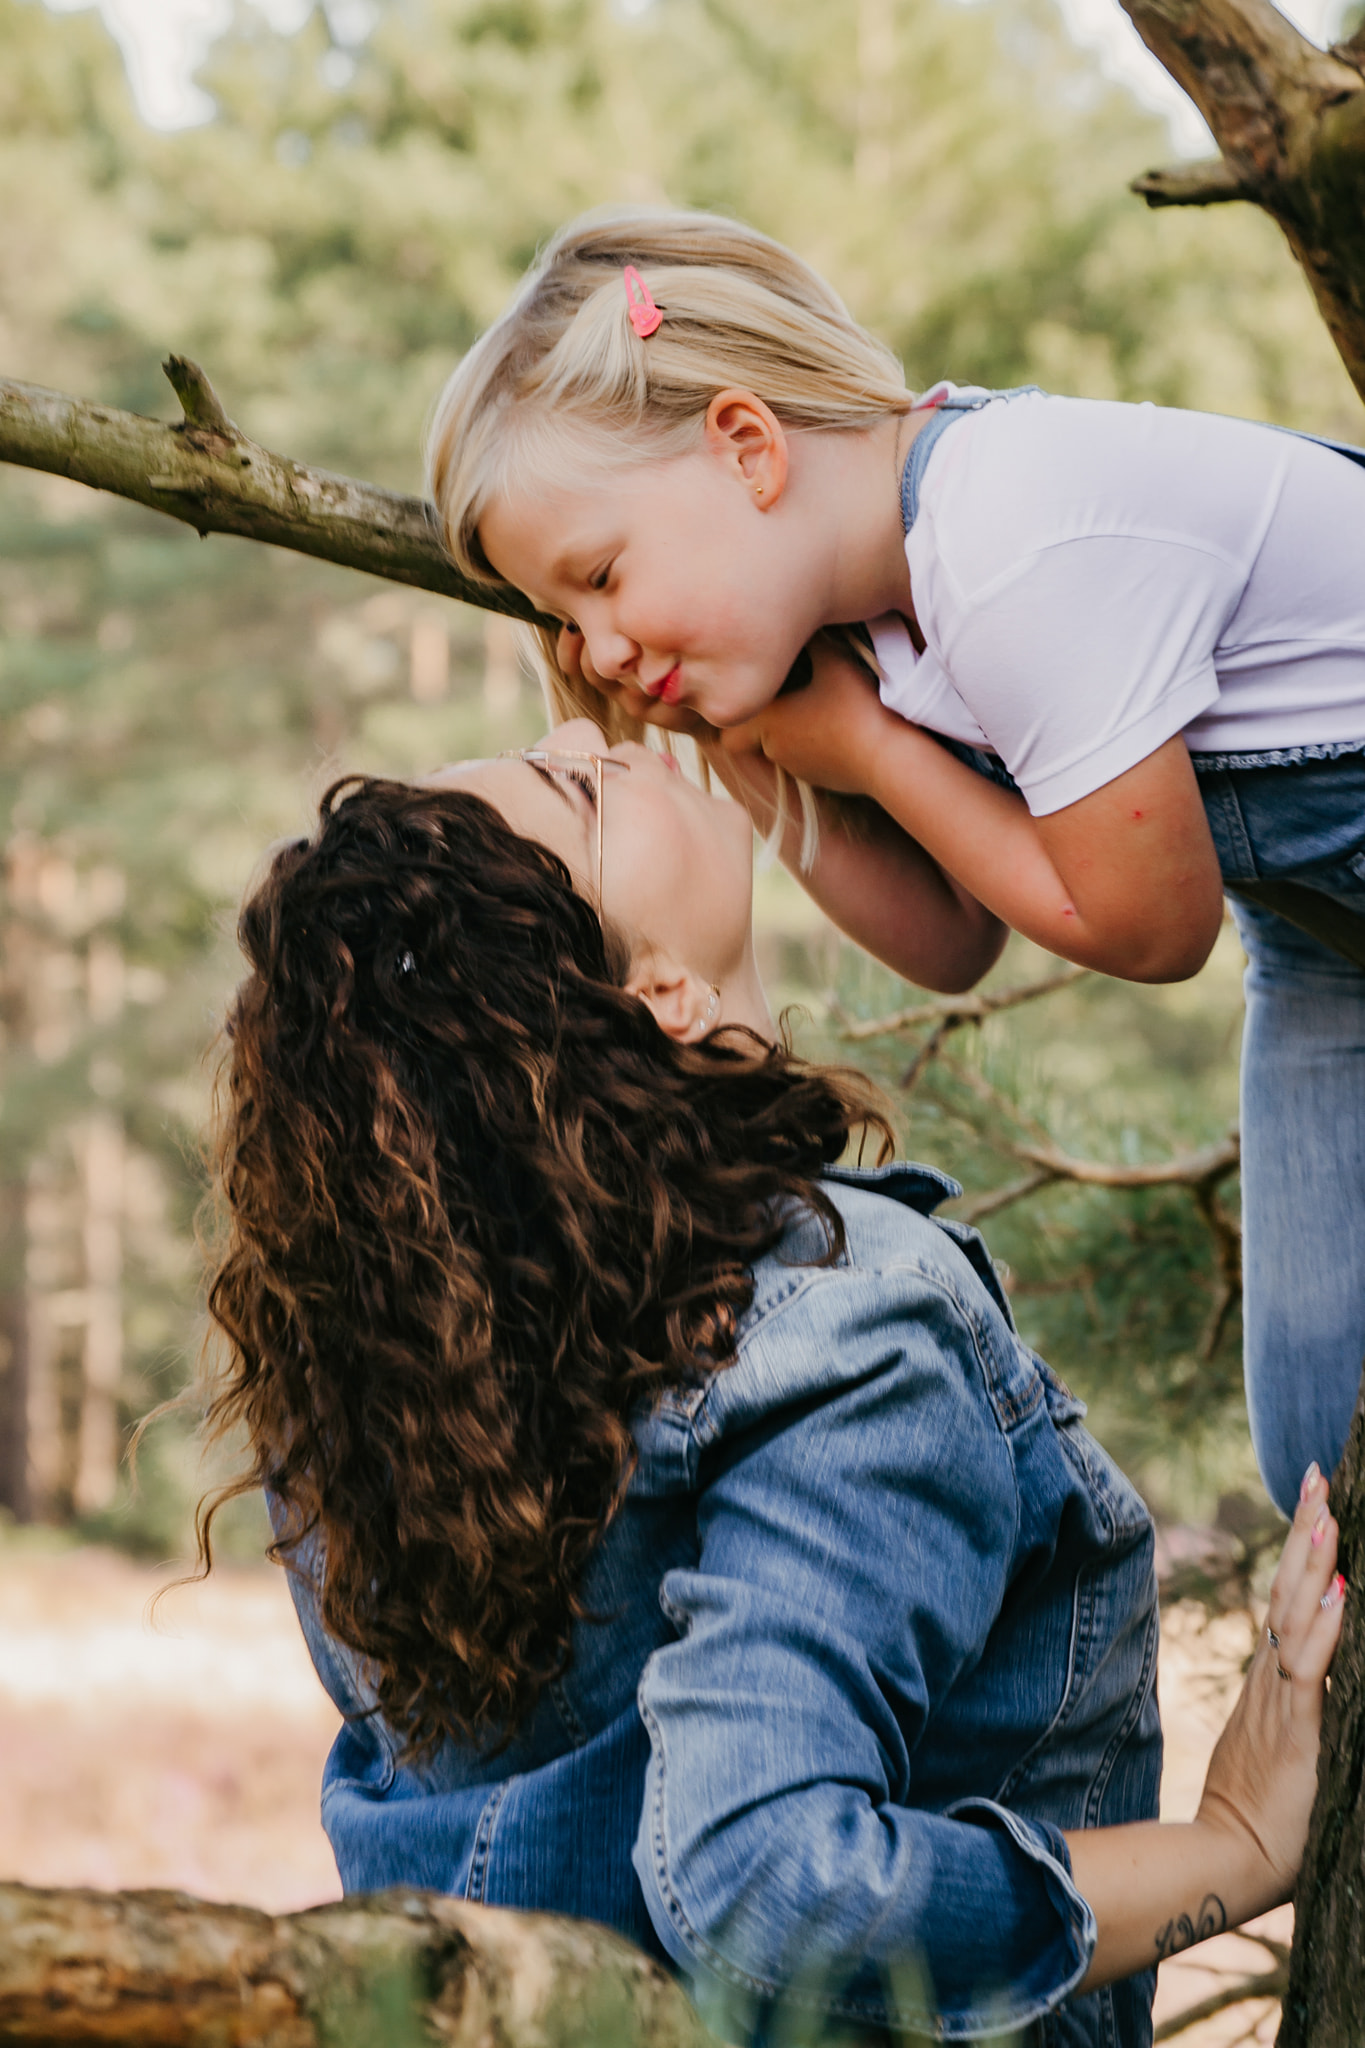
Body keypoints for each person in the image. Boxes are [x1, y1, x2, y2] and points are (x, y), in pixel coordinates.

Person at [203, 726, 1345, 2048]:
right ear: (661, 997)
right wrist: (1236, 1849)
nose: (588, 732)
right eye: (578, 784)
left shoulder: (378, 1405)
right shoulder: (843, 1348)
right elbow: (763, 1887)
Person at [423, 209, 1365, 1523]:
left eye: (599, 576)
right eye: (561, 619)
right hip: (1329, 937)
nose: (594, 653)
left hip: (1316, 887)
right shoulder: (869, 591)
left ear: (747, 447)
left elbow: (1151, 928)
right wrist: (770, 770)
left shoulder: (1005, 534)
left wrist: (864, 746)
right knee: (1322, 1458)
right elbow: (955, 936)